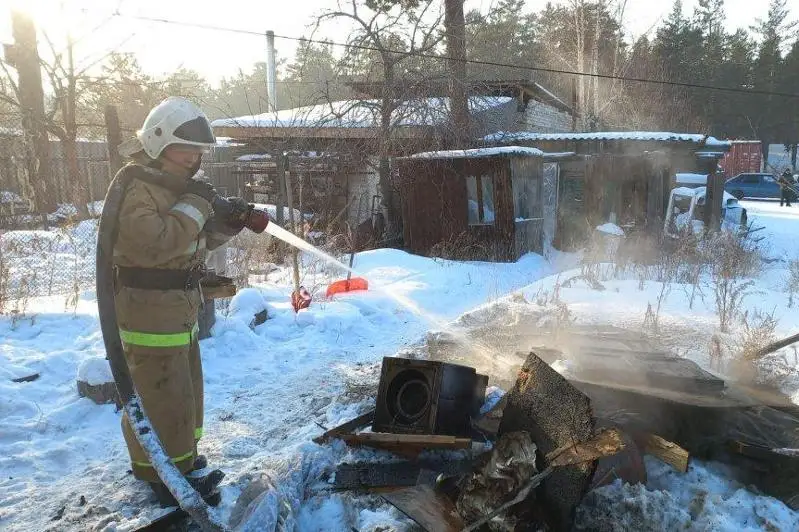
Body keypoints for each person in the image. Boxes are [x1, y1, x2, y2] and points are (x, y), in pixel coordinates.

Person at [111, 97, 247, 507]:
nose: (193, 159)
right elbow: (155, 244)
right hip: (148, 310)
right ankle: (161, 477)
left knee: (184, 391)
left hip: (177, 305)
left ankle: (182, 462)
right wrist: (200, 204)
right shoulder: (137, 187)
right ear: (157, 143)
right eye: (184, 149)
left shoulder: (175, 188)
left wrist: (228, 223)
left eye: (198, 152)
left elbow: (192, 243)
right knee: (159, 393)